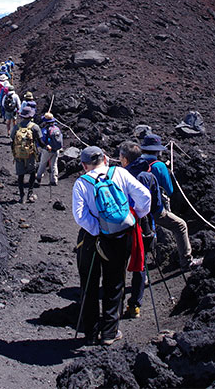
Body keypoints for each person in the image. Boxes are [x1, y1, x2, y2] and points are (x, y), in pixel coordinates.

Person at [72, 146, 151, 346]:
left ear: (84, 165)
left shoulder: (81, 183)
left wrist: (97, 229)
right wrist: (136, 216)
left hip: (90, 240)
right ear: (106, 159)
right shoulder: (121, 173)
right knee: (114, 284)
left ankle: (90, 334)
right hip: (120, 236)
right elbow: (145, 196)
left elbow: (79, 215)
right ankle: (109, 333)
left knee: (89, 285)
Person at [139, 133, 202, 270]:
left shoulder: (136, 163)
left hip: (136, 210)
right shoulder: (159, 166)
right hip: (155, 209)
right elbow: (169, 190)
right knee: (180, 226)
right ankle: (186, 262)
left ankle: (141, 271)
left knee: (142, 235)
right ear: (158, 150)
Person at [118, 140, 161, 319]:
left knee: (118, 266)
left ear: (126, 160)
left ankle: (116, 306)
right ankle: (135, 306)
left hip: (121, 229)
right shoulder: (149, 176)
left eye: (120, 157)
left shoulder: (118, 177)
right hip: (144, 229)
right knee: (140, 267)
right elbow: (157, 206)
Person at [11, 105, 42, 203]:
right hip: (30, 154)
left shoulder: (17, 127)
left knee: (20, 175)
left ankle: (21, 196)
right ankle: (30, 193)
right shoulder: (35, 127)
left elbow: (12, 138)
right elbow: (40, 141)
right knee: (32, 173)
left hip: (19, 155)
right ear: (31, 116)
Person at [36, 112, 63, 186]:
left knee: (43, 163)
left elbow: (42, 140)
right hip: (56, 149)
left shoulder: (45, 130)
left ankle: (38, 177)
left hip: (47, 150)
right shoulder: (57, 129)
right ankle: (54, 180)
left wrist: (42, 147)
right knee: (54, 164)